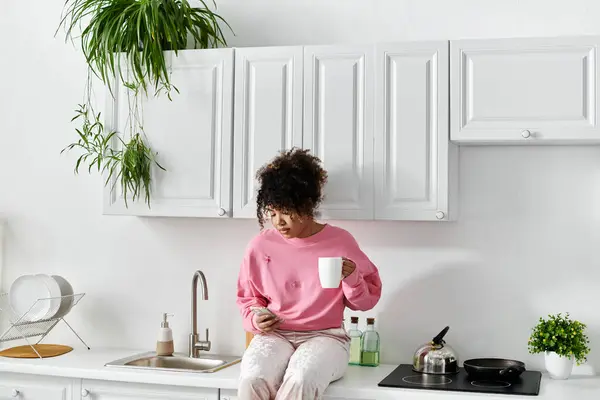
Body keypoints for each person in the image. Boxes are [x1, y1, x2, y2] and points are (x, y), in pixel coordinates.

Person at [236, 148, 382, 400]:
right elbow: (249, 299)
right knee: (252, 379)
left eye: (286, 212)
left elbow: (366, 302)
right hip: (275, 335)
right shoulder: (260, 246)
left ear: (307, 205)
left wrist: (352, 277)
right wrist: (255, 319)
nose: (278, 221)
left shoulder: (340, 242)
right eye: (272, 213)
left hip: (327, 337)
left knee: (301, 378)